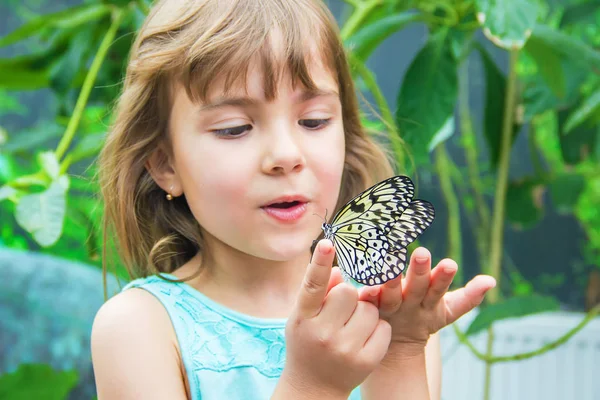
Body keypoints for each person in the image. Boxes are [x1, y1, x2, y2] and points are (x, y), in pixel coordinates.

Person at [90, 0, 496, 399]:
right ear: (165, 165)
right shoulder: (140, 328)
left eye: (313, 121)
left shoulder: (388, 314)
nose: (286, 155)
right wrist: (312, 386)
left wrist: (401, 352)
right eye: (234, 128)